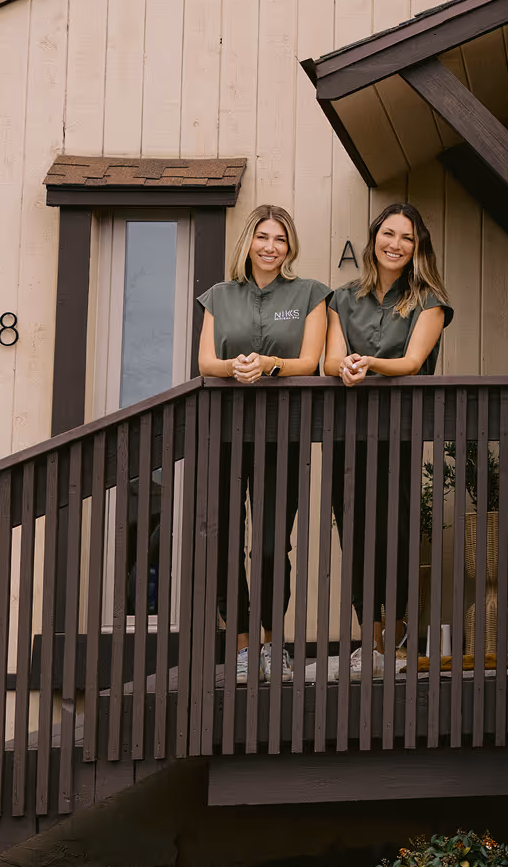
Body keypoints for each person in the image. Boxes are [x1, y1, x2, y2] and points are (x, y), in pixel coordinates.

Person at [197, 204, 329, 685]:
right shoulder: (218, 296)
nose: (271, 247)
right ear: (248, 243)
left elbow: (310, 361)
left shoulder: (310, 294)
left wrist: (270, 364)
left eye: (280, 239)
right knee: (226, 542)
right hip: (225, 433)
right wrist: (235, 366)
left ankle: (272, 644)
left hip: (283, 434)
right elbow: (205, 362)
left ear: (289, 246)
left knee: (272, 545)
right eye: (263, 237)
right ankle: (242, 646)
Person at [324, 202, 452, 675]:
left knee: (394, 531)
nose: (395, 244)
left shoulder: (429, 302)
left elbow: (413, 363)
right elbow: (329, 361)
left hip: (400, 431)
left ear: (417, 248)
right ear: (374, 237)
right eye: (388, 234)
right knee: (353, 531)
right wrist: (345, 364)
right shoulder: (341, 299)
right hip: (347, 431)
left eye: (407, 238)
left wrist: (367, 363)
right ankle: (369, 642)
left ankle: (396, 640)